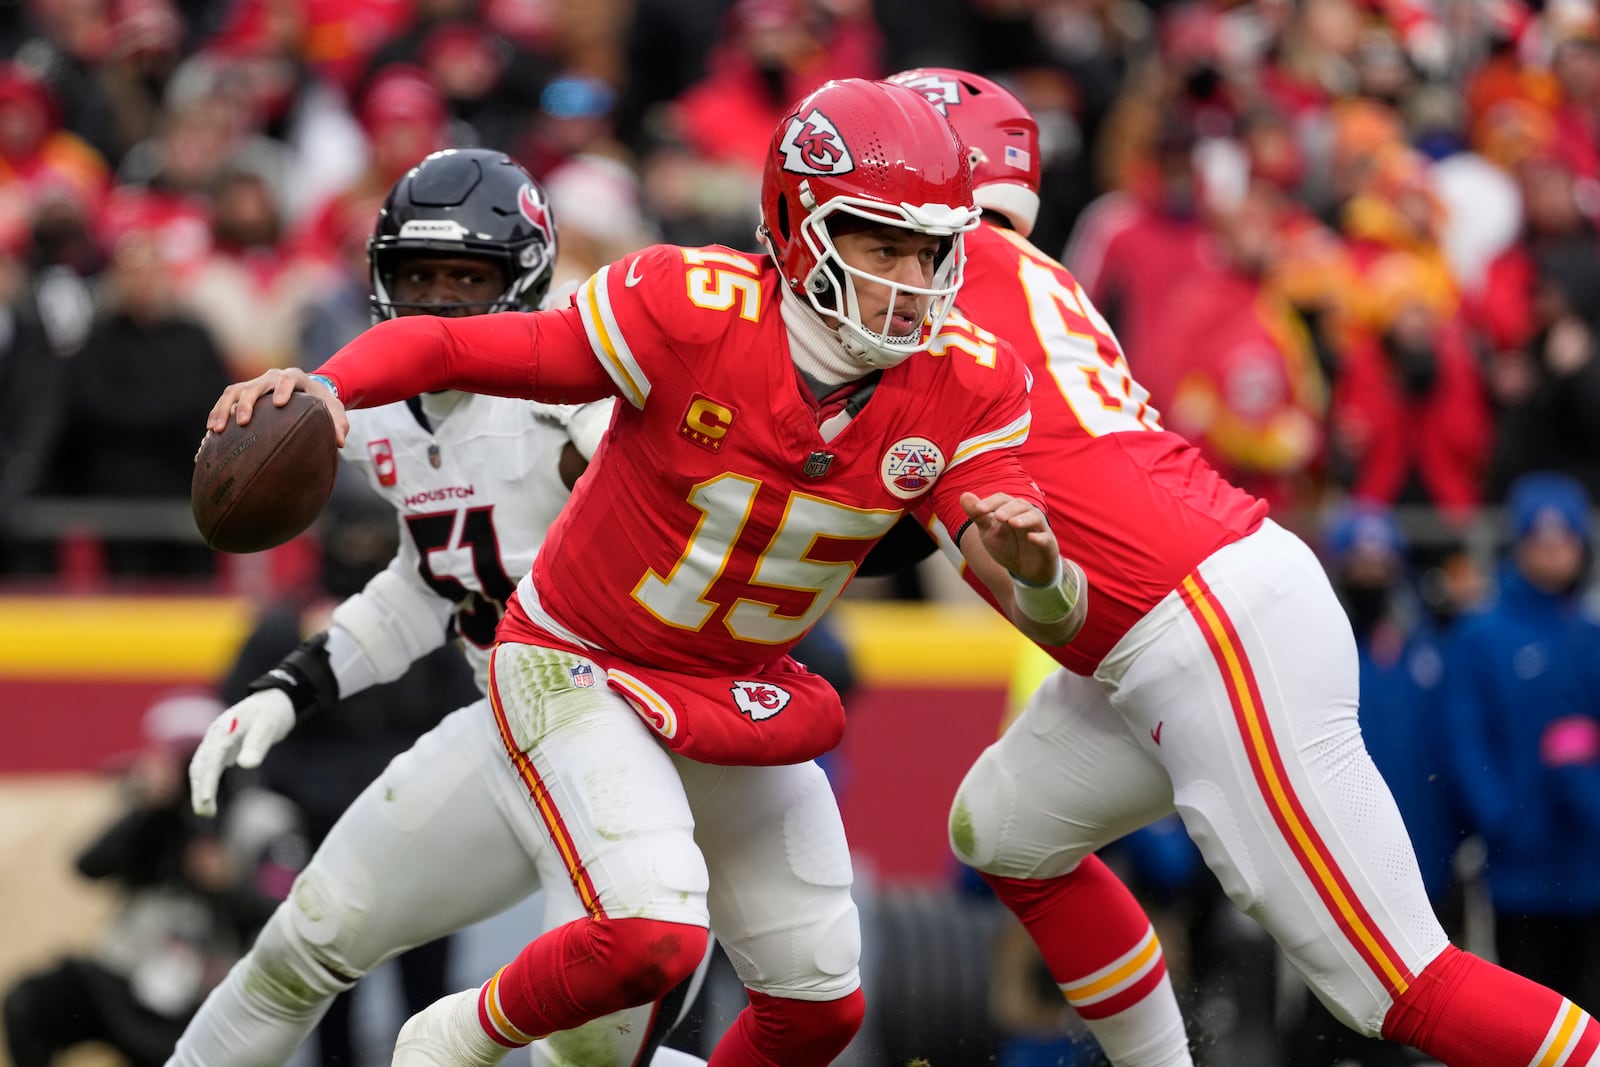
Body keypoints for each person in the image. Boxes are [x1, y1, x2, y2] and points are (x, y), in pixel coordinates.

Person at [206, 78, 1085, 1066]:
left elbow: (1026, 588)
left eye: (930, 250)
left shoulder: (967, 375)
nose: (912, 278)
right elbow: (460, 344)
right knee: (651, 935)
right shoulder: (687, 307)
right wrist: (328, 386)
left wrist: (1043, 572)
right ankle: (449, 1039)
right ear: (800, 227)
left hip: (730, 688)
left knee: (820, 1006)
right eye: (882, 244)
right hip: (581, 660)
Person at [885, 67, 1600, 1067]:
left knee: (1400, 989)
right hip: (1150, 636)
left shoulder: (949, 277)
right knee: (1003, 826)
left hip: (1206, 628)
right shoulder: (1007, 277)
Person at [170, 148, 713, 1067]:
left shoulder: (576, 394)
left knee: (590, 1057)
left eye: (470, 277)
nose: (441, 301)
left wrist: (618, 453)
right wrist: (289, 690)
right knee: (296, 947)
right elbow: (435, 582)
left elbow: (677, 504)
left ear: (527, 280)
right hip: (506, 735)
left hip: (621, 750)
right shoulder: (382, 415)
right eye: (419, 275)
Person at [4, 692, 303, 1067]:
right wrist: (148, 814)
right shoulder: (152, 811)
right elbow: (89, 866)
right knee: (31, 1003)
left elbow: (289, 916)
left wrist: (226, 885)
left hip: (210, 994)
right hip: (125, 973)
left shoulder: (265, 821)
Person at [1444, 472, 1600, 1016]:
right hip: (1520, 872)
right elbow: (1466, 738)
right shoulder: (1482, 635)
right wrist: (1502, 817)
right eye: (1543, 541)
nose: (1555, 555)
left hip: (1589, 865)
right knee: (1527, 1020)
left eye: (1566, 542)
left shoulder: (1590, 633)